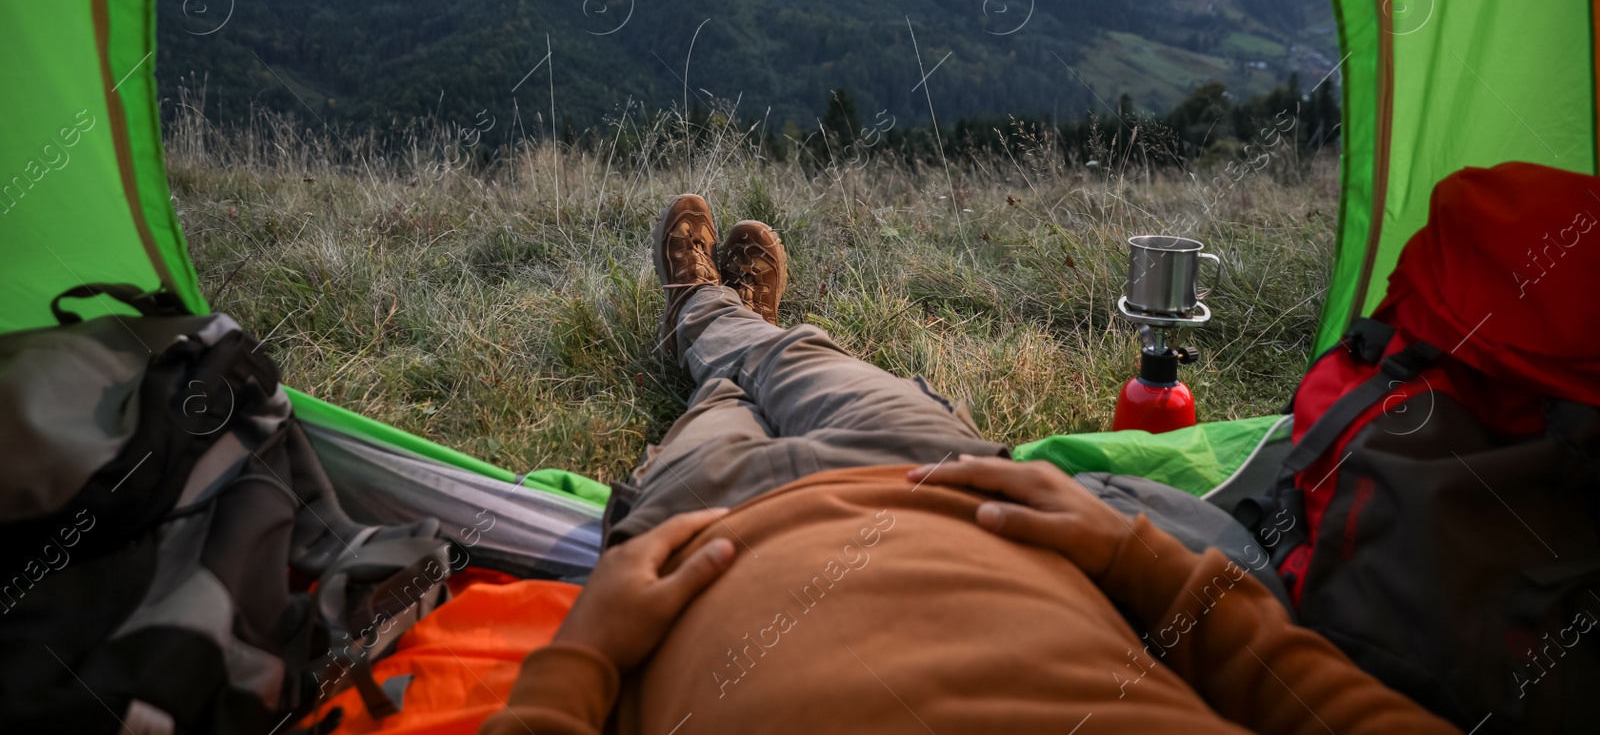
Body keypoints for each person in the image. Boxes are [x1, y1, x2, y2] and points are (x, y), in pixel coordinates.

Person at [480, 195, 1460, 735]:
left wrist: (588, 655)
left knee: (722, 399)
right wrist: (1135, 559)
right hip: (939, 481)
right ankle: (733, 324)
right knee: (804, 359)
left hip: (704, 547)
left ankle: (703, 314)